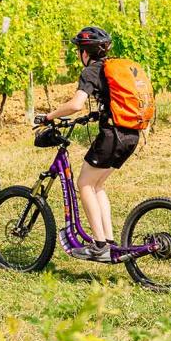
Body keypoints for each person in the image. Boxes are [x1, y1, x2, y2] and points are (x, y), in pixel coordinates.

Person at [44, 26, 140, 262]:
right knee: (97, 185)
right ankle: (107, 241)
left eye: (79, 50)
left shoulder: (91, 72)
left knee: (85, 183)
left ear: (85, 52)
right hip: (131, 135)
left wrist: (49, 116)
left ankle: (98, 245)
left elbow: (76, 104)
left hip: (112, 136)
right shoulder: (111, 69)